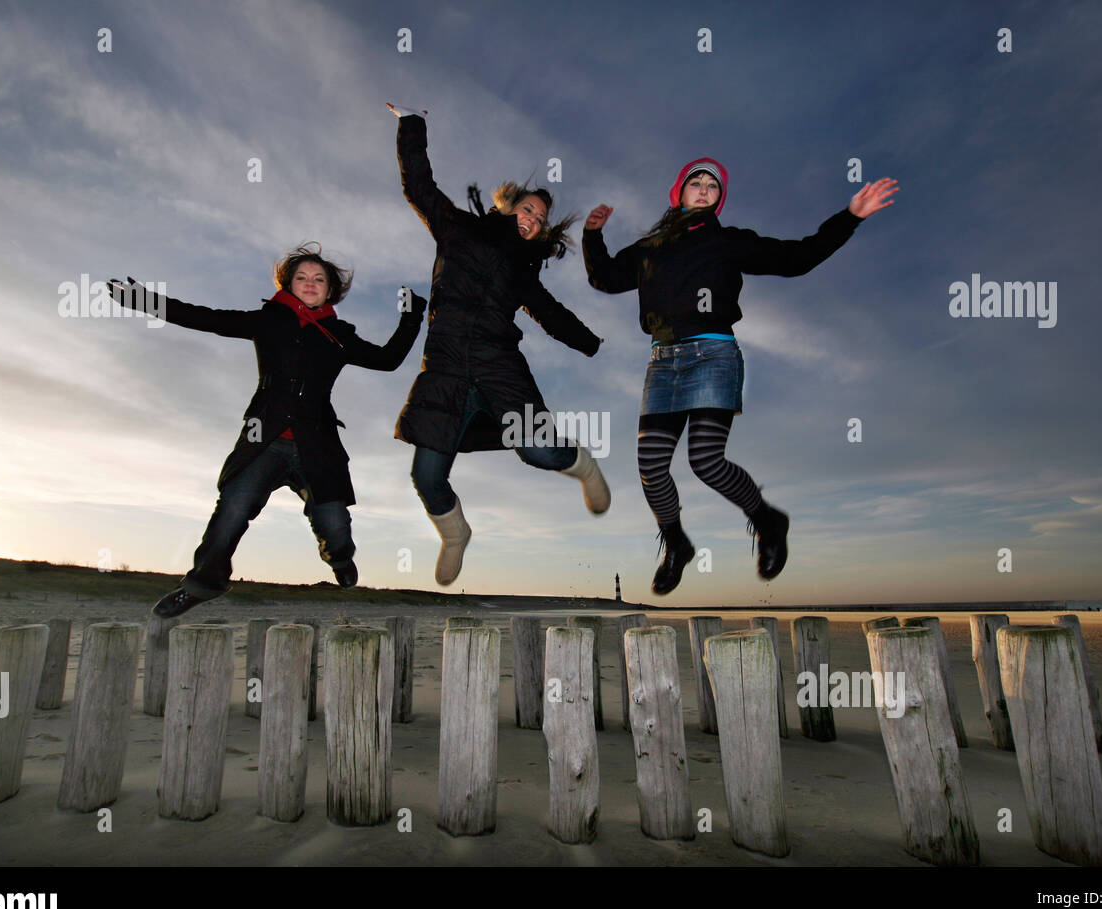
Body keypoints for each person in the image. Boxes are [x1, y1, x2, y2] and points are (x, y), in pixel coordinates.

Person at [583, 160, 898, 594]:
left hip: (714, 354)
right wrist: (592, 235)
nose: (704, 188)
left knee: (705, 461)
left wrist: (850, 217)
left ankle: (768, 521)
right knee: (651, 468)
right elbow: (605, 278)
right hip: (663, 364)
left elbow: (797, 257)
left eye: (713, 185)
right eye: (696, 181)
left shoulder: (729, 241)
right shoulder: (650, 247)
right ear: (679, 191)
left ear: (718, 199)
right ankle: (677, 545)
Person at [106, 244, 426, 616]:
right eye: (301, 277)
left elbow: (387, 361)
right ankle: (202, 585)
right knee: (231, 512)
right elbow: (205, 318)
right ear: (288, 285)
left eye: (319, 279)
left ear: (331, 290)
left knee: (335, 525)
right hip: (264, 440)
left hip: (317, 443)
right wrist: (145, 301)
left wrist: (411, 315)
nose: (310, 283)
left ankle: (338, 556)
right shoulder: (268, 320)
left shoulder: (338, 336)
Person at [388, 103, 609, 587]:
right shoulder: (456, 229)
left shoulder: (521, 271)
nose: (533, 218)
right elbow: (419, 187)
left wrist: (590, 343)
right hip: (444, 368)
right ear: (508, 205)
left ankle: (584, 465)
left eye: (541, 218)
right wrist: (412, 123)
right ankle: (455, 534)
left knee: (537, 452)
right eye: (528, 208)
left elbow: (550, 314)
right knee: (426, 478)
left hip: (499, 368)